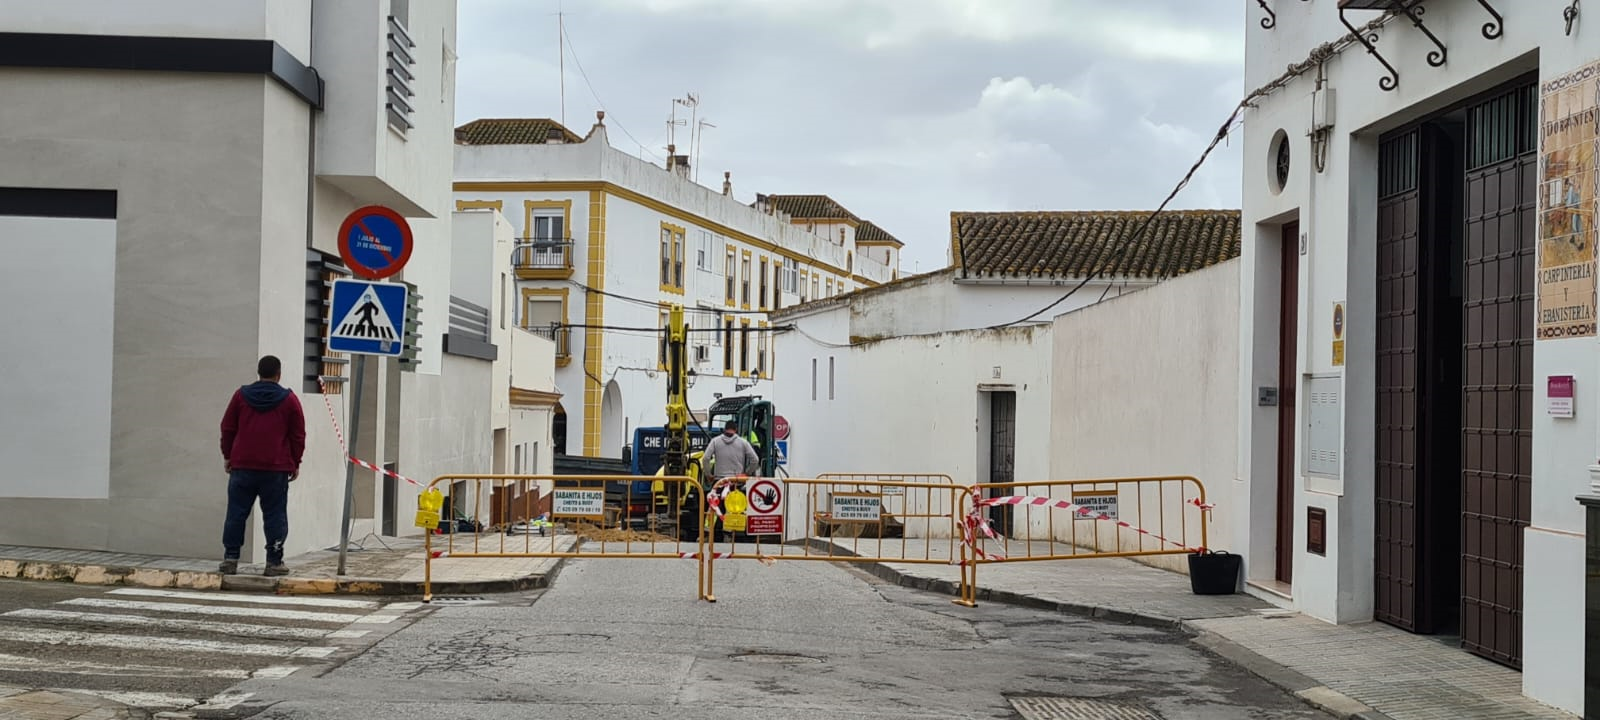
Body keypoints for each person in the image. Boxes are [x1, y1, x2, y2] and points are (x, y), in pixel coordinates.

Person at [218, 355, 306, 576]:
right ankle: (274, 562)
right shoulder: (289, 400)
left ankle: (230, 559)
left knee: (236, 513)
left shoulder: (240, 396)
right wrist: (295, 462)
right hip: (275, 469)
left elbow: (227, 428)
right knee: (275, 514)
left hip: (242, 467)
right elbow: (298, 435)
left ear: (258, 372)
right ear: (278, 374)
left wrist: (228, 456)